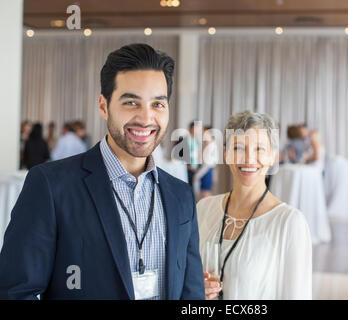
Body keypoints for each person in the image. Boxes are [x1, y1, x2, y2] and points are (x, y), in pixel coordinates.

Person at [0, 43, 204, 300]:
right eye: (131, 102)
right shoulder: (51, 186)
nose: (145, 117)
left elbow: (192, 295)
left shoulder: (181, 195)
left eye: (157, 104)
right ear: (103, 106)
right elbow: (16, 292)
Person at [198, 111, 312, 300]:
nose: (248, 159)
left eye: (259, 149)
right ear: (226, 154)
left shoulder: (289, 223)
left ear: (273, 157)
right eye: (238, 148)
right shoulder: (203, 209)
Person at [193, 126, 219, 199]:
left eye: (205, 133)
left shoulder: (212, 146)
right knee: (200, 196)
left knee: (205, 195)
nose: (203, 135)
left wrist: (198, 175)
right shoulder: (204, 145)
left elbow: (209, 164)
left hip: (207, 172)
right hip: (201, 170)